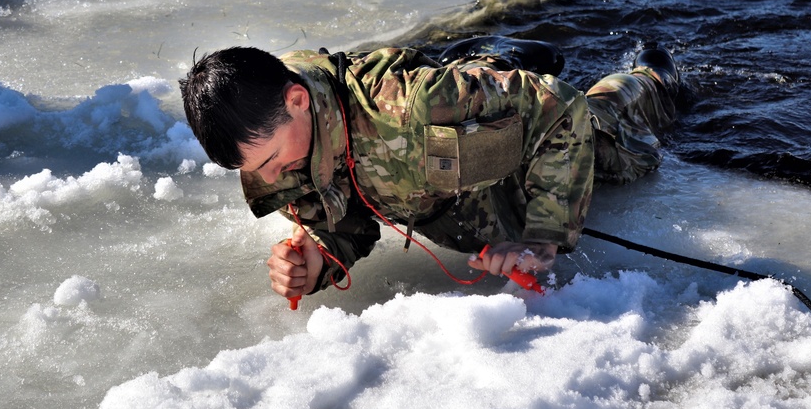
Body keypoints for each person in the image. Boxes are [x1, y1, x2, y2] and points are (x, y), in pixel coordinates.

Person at [179, 36, 679, 301]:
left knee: (617, 133)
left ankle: (654, 75)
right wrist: (317, 262)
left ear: (296, 100)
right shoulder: (271, 136)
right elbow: (343, 216)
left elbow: (561, 109)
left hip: (541, 141)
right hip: (460, 169)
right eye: (254, 170)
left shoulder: (409, 104)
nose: (269, 178)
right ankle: (492, 53)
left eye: (269, 163)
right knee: (472, 97)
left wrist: (539, 237)